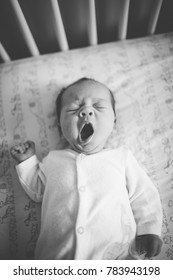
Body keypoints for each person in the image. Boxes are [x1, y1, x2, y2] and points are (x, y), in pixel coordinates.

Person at [10, 77, 163, 260]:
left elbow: (143, 193)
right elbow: (38, 190)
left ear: (114, 119)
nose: (86, 112)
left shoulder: (121, 157)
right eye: (74, 109)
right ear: (59, 124)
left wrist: (149, 230)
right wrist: (27, 162)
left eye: (98, 107)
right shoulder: (53, 160)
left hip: (115, 256)